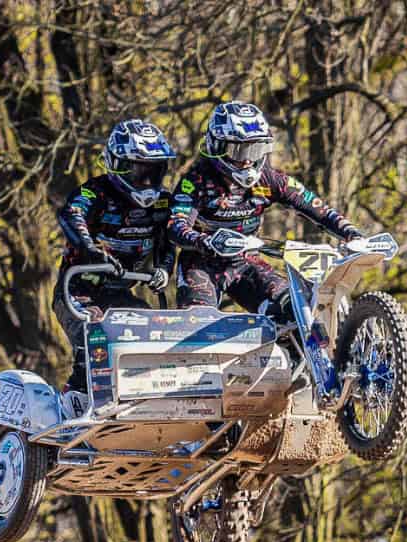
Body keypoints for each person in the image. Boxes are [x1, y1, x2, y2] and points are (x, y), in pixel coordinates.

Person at [168, 101, 363, 319]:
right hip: (200, 265)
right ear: (218, 147)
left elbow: (318, 208)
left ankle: (294, 350)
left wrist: (351, 233)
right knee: (197, 322)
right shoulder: (195, 181)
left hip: (246, 262)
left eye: (257, 149)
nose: (249, 159)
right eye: (240, 150)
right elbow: (176, 225)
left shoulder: (270, 179)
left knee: (295, 312)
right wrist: (203, 241)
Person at [54, 118, 178, 403]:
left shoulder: (163, 203)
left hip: (122, 294)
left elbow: (169, 239)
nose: (147, 180)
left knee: (155, 332)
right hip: (76, 292)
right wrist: (90, 250)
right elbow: (71, 214)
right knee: (96, 336)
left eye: (154, 171)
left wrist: (163, 269)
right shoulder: (94, 192)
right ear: (119, 165)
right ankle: (73, 401)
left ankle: (149, 403)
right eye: (140, 170)